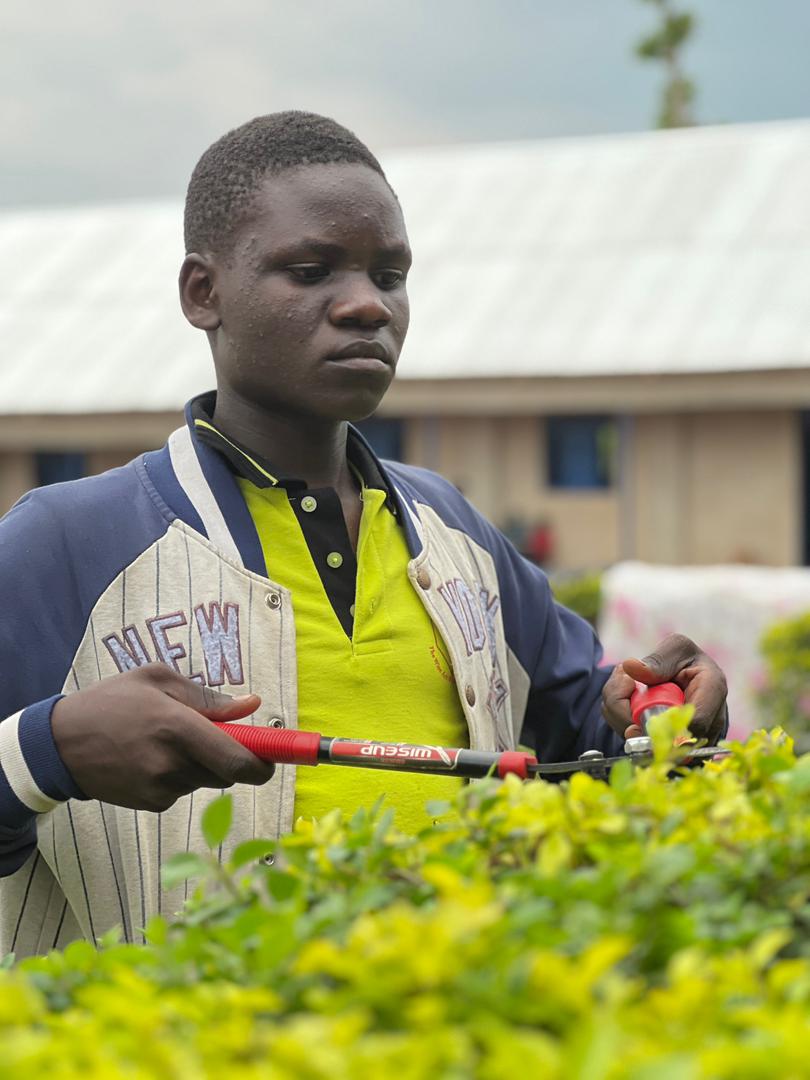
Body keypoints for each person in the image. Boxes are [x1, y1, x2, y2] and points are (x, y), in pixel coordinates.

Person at [0, 112, 728, 958]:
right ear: (203, 293)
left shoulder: (454, 530)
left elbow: (592, 738)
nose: (366, 305)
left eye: (391, 275)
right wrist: (46, 751)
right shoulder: (65, 544)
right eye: (311, 271)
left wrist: (657, 710)